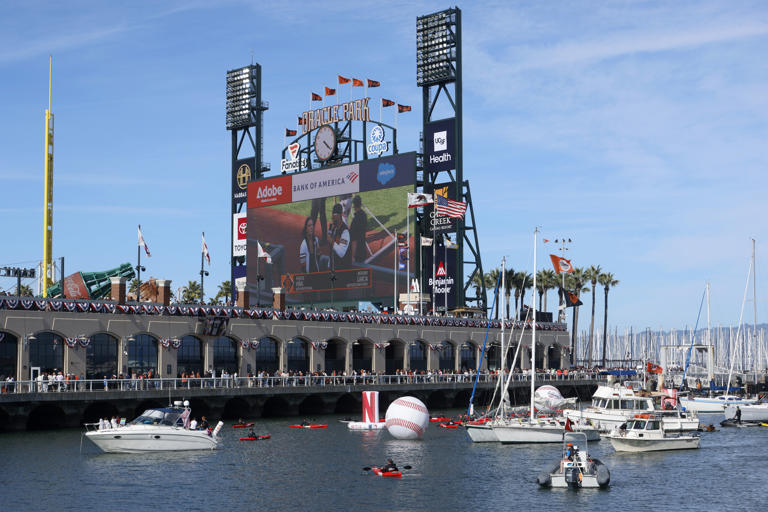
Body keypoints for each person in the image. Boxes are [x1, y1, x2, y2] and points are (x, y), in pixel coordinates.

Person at [328, 202, 351, 270]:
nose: (333, 217)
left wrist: (331, 241)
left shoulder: (345, 232)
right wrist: (329, 263)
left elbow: (341, 253)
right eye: (332, 215)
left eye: (335, 215)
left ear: (341, 215)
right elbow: (332, 250)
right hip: (333, 267)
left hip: (342, 269)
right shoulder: (334, 228)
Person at [348, 195, 368, 263]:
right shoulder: (364, 215)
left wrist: (353, 256)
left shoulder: (355, 220)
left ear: (354, 206)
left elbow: (354, 240)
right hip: (363, 250)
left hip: (357, 253)